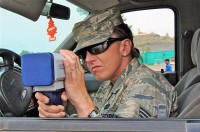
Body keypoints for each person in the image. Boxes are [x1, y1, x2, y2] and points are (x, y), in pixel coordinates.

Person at [35, 7, 177, 118]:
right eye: (84, 54)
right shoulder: (109, 84)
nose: (89, 59)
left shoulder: (147, 85)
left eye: (96, 48)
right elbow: (99, 119)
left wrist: (81, 98)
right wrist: (59, 114)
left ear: (125, 47)